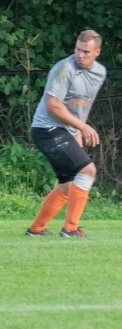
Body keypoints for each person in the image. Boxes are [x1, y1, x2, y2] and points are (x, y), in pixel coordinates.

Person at [26, 29, 105, 238]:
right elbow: (53, 106)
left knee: (67, 185)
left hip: (63, 130)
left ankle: (36, 230)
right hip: (46, 129)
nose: (81, 55)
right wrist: (83, 128)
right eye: (78, 49)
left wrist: (77, 131)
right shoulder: (64, 69)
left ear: (97, 52)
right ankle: (70, 229)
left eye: (86, 51)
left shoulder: (100, 73)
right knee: (88, 170)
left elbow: (84, 105)